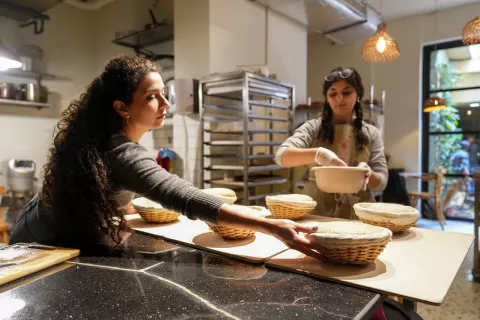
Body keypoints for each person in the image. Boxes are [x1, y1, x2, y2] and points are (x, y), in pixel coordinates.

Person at [9, 56, 322, 259]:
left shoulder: (99, 138)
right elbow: (184, 196)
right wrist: (273, 226)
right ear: (122, 107)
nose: (165, 104)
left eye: (163, 94)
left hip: (38, 224)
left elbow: (104, 186)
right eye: (151, 97)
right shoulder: (119, 150)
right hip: (39, 243)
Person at [275, 67, 388, 219]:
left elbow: (382, 182)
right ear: (327, 99)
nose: (339, 98)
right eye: (333, 93)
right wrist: (318, 154)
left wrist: (368, 174)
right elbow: (281, 156)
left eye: (346, 92)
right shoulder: (313, 128)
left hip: (358, 213)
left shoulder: (371, 133)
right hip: (317, 213)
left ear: (358, 95)